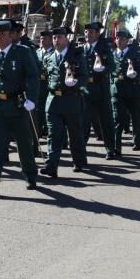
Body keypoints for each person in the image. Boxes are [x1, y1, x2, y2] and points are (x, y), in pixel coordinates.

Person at [0, 20, 39, 200]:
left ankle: (30, 175)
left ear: (11, 36)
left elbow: (33, 76)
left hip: (17, 106)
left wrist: (32, 99)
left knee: (24, 144)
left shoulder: (22, 53)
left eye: (3, 34)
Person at [39, 26, 88, 178]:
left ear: (67, 38)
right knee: (54, 135)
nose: (56, 40)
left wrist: (76, 82)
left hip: (71, 99)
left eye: (60, 37)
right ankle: (51, 165)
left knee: (75, 134)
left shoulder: (77, 56)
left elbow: (84, 77)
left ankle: (79, 161)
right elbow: (44, 77)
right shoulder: (49, 57)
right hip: (53, 100)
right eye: (54, 37)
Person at [82, 22, 117, 159]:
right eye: (86, 32)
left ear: (97, 34)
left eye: (91, 32)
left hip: (101, 88)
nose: (87, 35)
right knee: (84, 122)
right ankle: (81, 149)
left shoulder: (104, 48)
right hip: (86, 90)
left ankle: (110, 149)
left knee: (106, 121)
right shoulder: (82, 48)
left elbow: (112, 66)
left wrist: (104, 69)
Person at [111, 29, 140, 153]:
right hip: (118, 92)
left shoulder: (134, 54)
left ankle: (137, 141)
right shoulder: (112, 54)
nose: (119, 41)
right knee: (118, 120)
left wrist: (136, 75)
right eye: (117, 38)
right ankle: (116, 146)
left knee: (136, 118)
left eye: (122, 39)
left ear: (126, 40)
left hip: (132, 91)